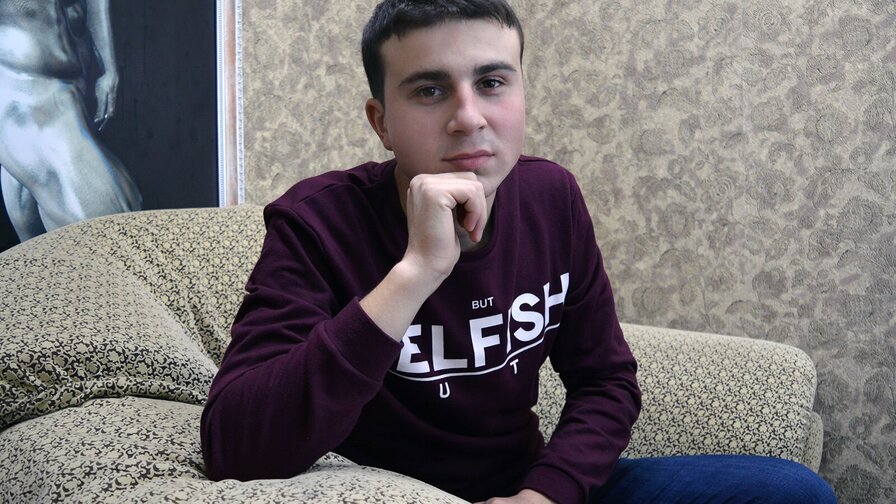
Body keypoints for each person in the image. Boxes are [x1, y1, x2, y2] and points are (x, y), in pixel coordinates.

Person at [201, 1, 837, 503]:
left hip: (527, 488)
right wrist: (416, 272)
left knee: (788, 490)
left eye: (492, 82)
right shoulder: (316, 223)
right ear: (381, 122)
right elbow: (236, 447)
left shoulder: (550, 196)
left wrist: (544, 494)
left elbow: (606, 382)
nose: (469, 117)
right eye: (429, 91)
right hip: (392, 493)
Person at [0, 0, 141, 242]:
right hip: (24, 94)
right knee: (111, 224)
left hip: (69, 92)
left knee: (44, 248)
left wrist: (109, 69)